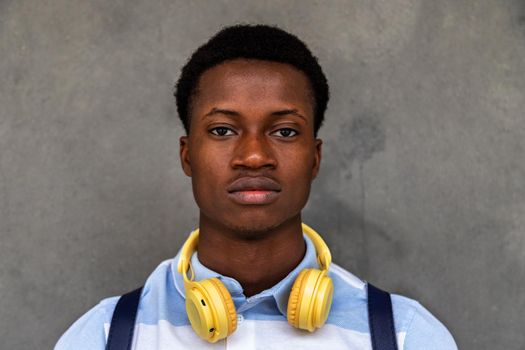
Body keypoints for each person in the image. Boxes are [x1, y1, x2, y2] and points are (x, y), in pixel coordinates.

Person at [55, 24, 457, 349]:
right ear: (187, 156)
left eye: (284, 131)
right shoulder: (103, 337)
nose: (253, 156)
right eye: (222, 129)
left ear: (314, 159)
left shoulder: (405, 336)